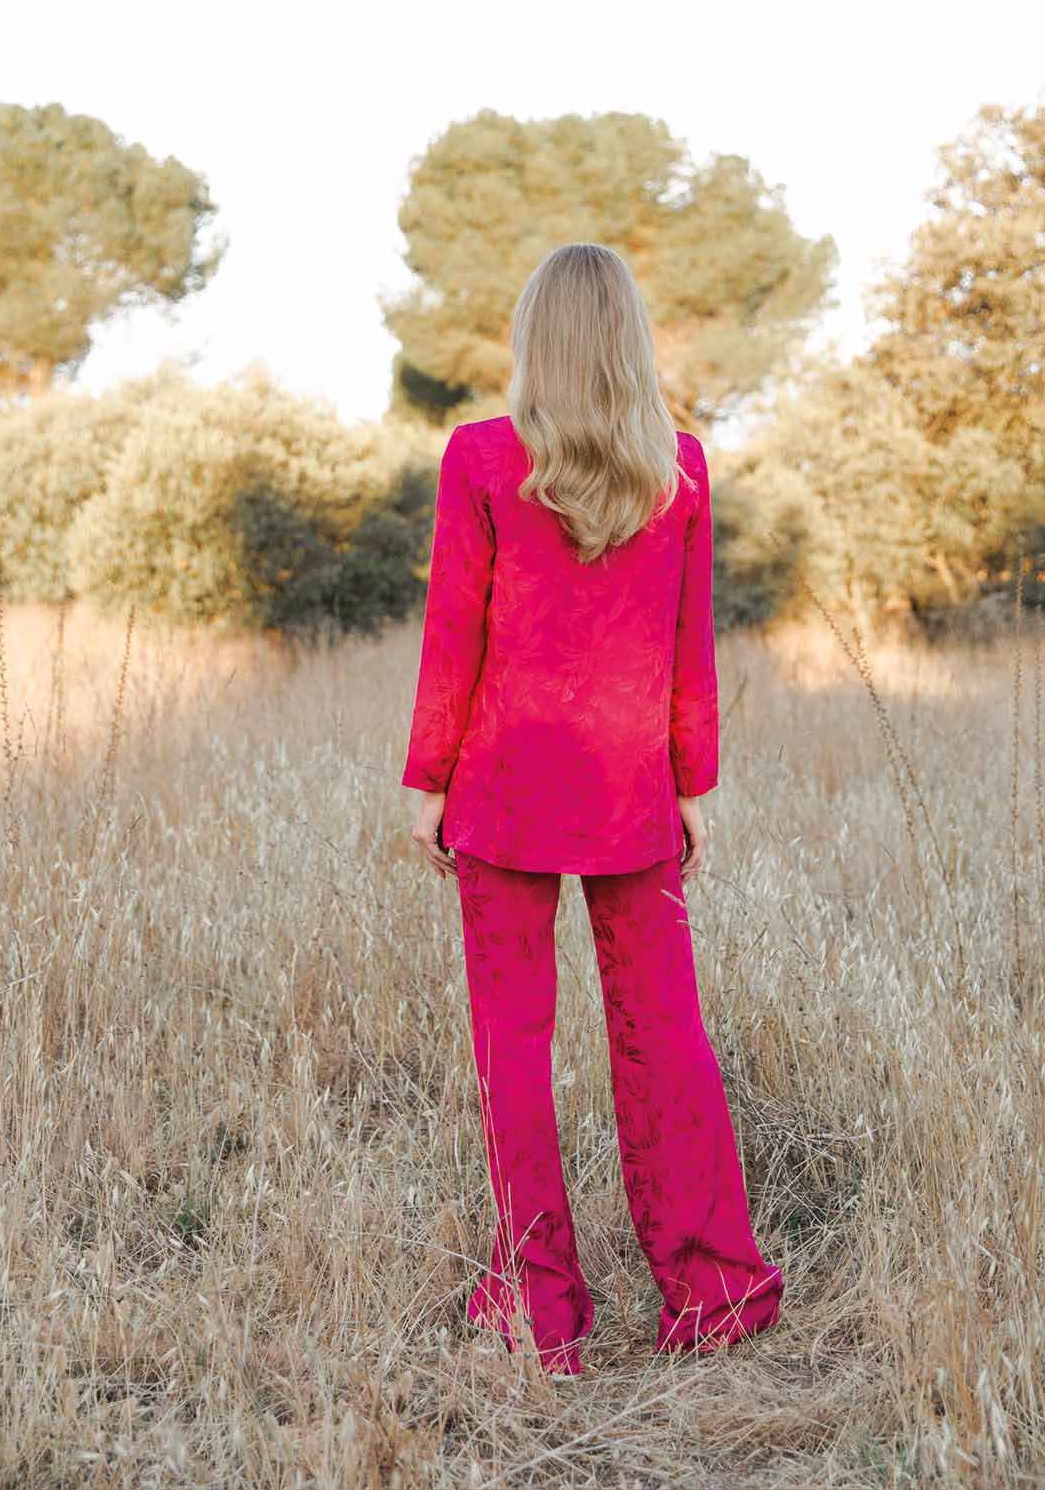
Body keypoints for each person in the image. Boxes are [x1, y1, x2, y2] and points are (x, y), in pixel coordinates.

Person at [400, 241, 785, 1376]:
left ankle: (539, 1304)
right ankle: (712, 1289)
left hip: (505, 786)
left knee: (509, 1050)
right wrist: (691, 785)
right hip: (626, 790)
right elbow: (687, 650)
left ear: (535, 339)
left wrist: (426, 783)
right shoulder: (681, 468)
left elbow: (452, 640)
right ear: (627, 340)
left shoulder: (479, 457)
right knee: (663, 1036)